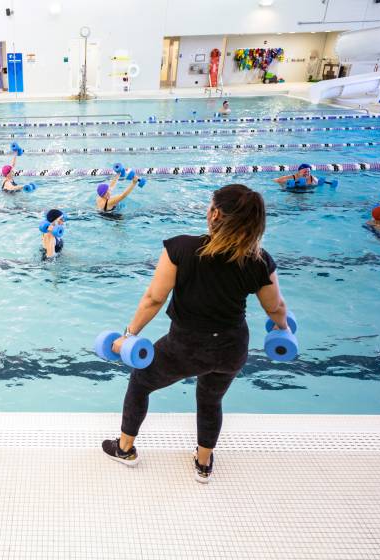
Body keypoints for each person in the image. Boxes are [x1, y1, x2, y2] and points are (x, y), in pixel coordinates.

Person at [101, 184, 290, 483]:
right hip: (232, 348)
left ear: (214, 213)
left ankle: (124, 449)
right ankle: (203, 464)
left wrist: (128, 335)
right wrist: (283, 329)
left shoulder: (181, 249)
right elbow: (276, 307)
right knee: (211, 400)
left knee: (140, 382)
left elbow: (154, 298)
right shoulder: (259, 260)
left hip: (185, 346)